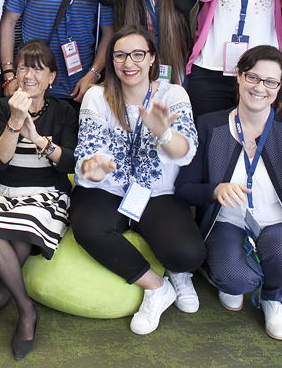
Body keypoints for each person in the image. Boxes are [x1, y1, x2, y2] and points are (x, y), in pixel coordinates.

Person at [175, 46, 282, 340]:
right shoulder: (210, 124)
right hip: (228, 223)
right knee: (234, 279)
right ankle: (234, 279)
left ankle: (273, 298)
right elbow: (184, 190)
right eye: (252, 77)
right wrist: (215, 190)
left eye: (270, 81)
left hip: (281, 223)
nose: (259, 87)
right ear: (239, 76)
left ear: (279, 87)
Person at [71, 26, 203, 335]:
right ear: (112, 60)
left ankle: (178, 272)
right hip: (108, 189)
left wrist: (164, 133)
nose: (128, 63)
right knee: (88, 228)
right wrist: (94, 168)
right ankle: (156, 287)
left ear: (152, 58)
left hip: (156, 193)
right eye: (120, 55)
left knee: (188, 254)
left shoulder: (173, 94)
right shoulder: (97, 95)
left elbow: (185, 150)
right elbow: (88, 150)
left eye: (138, 54)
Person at [0, 40, 78, 359]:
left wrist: (37, 138)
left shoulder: (63, 111)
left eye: (38, 68)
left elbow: (69, 163)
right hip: (4, 191)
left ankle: (2, 293)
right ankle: (25, 307)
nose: (29, 75)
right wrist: (15, 122)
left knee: (26, 223)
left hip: (48, 195)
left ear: (52, 77)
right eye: (22, 68)